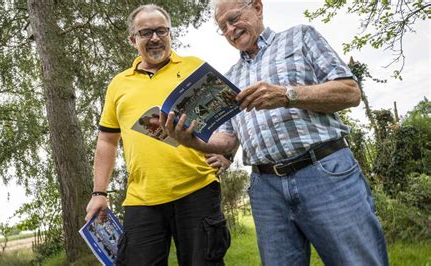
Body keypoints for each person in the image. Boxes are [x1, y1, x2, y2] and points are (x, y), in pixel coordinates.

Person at [160, 0, 389, 265]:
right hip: (266, 188)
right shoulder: (229, 79)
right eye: (223, 27)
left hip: (324, 172)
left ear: (257, 7)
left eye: (234, 19)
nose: (230, 30)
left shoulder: (300, 36)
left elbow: (350, 92)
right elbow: (228, 140)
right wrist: (192, 141)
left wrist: (286, 94)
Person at [85, 4, 231, 266]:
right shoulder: (119, 84)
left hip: (198, 190)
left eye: (161, 30)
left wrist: (228, 154)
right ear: (133, 40)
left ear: (170, 34)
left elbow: (229, 115)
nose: (154, 37)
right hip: (142, 200)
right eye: (146, 32)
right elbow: (107, 141)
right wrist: (99, 193)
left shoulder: (194, 67)